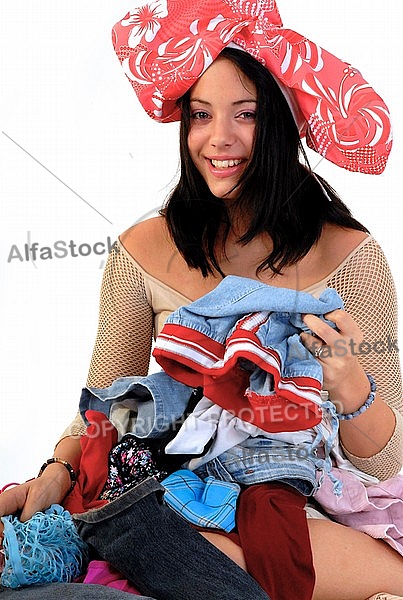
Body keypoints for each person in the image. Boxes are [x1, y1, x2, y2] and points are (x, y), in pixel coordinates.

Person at [1, 0, 403, 598]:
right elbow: (110, 406)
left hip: (308, 499)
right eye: (200, 115)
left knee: (140, 536)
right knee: (124, 532)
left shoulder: (349, 255)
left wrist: (349, 387)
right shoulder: (142, 247)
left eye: (247, 114)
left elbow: (383, 462)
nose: (219, 139)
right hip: (175, 489)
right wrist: (58, 472)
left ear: (285, 123)